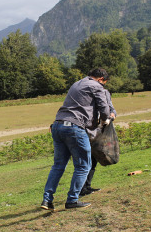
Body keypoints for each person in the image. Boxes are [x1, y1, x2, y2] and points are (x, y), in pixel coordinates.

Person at [41, 68, 111, 211]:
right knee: (84, 165)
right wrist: (106, 120)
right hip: (74, 128)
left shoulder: (77, 83)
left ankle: (47, 200)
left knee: (58, 165)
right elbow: (104, 108)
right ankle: (72, 200)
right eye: (104, 83)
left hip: (58, 125)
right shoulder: (96, 86)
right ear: (101, 79)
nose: (103, 86)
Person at [80, 88, 117, 196]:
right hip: (86, 130)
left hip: (97, 130)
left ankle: (86, 186)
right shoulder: (87, 94)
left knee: (92, 158)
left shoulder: (103, 92)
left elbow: (111, 109)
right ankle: (82, 188)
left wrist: (111, 115)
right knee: (86, 159)